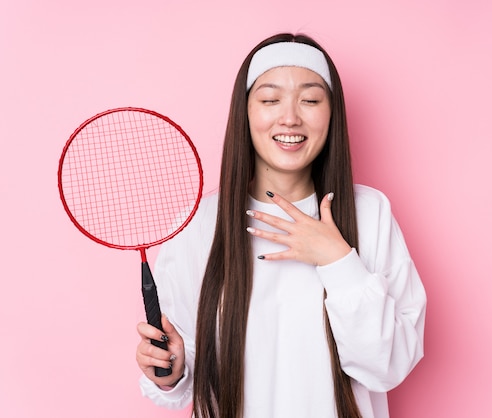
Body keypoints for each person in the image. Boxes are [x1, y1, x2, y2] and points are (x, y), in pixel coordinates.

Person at [136, 32, 426, 418]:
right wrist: (169, 370)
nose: (290, 117)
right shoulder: (199, 225)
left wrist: (338, 260)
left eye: (310, 100)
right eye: (270, 100)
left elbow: (388, 364)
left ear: (331, 113)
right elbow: (183, 365)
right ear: (245, 113)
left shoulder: (368, 213)